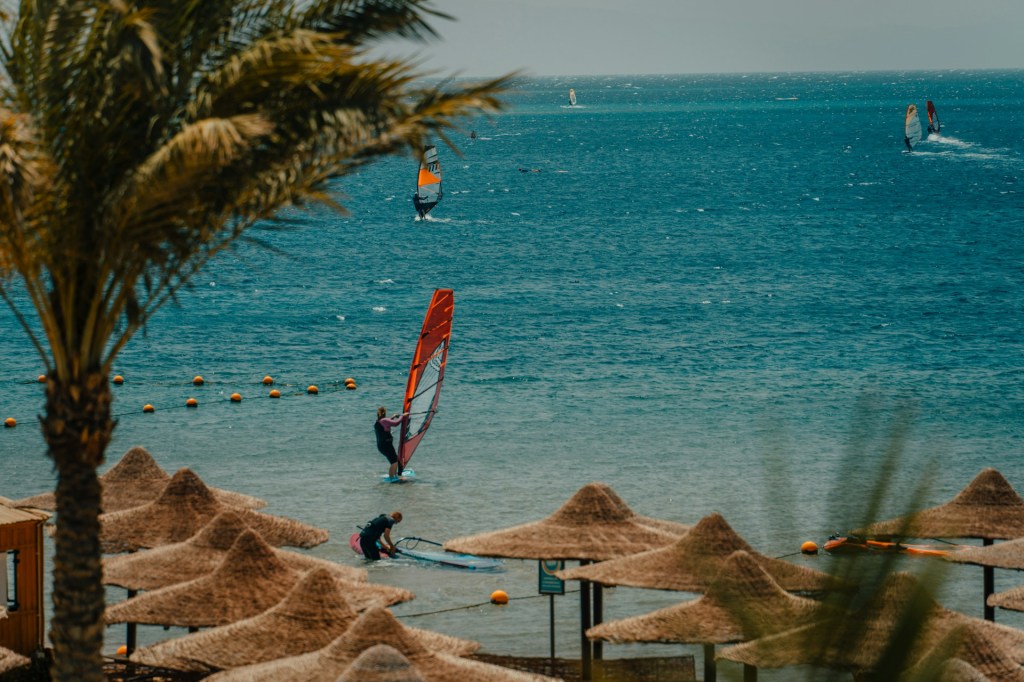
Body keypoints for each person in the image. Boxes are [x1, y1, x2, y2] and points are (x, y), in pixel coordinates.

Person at [375, 406, 407, 479]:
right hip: (386, 446)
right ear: (385, 413)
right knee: (394, 461)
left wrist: (393, 417)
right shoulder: (384, 421)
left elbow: (386, 422)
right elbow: (396, 423)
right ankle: (392, 477)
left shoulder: (378, 421)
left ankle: (394, 475)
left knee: (394, 460)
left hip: (382, 446)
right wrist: (403, 416)